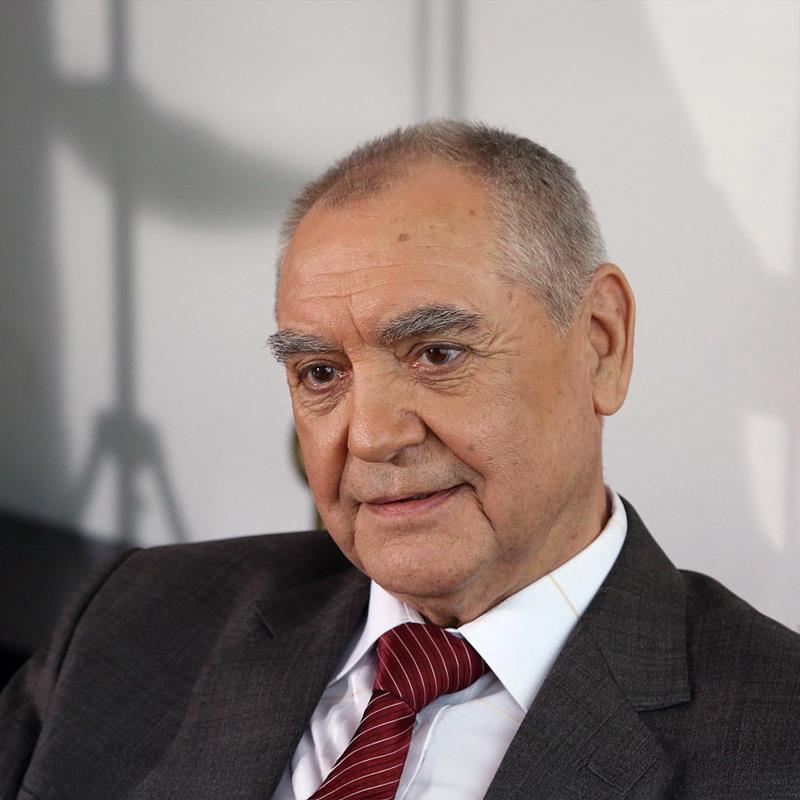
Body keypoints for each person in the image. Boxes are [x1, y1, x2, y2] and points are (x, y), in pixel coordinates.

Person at [1, 121, 799, 799]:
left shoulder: (775, 739)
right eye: (321, 373)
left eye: (437, 353)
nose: (371, 436)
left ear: (601, 344)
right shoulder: (133, 619)